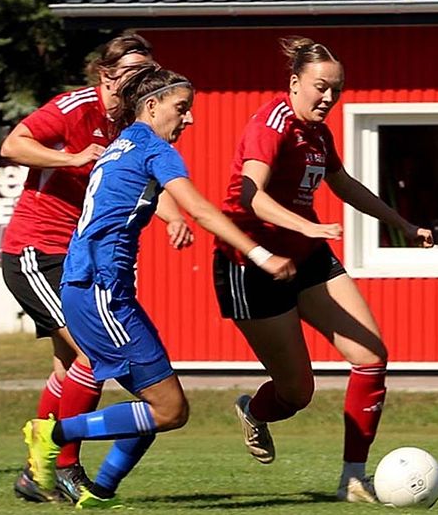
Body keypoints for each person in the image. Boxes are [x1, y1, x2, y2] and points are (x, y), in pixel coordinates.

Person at [21, 65, 296, 510]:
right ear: (152, 107)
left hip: (90, 289)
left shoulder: (119, 147)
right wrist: (261, 255)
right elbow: (202, 211)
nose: (188, 120)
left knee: (156, 407)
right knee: (169, 410)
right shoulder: (152, 147)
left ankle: (98, 492)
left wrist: (168, 220)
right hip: (101, 291)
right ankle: (51, 433)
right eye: (181, 108)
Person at [212, 37, 433, 503]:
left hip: (307, 256)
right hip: (250, 263)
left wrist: (403, 225)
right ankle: (255, 409)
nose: (329, 98)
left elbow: (344, 184)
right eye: (320, 87)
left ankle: (353, 478)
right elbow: (252, 195)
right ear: (294, 83)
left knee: (371, 356)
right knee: (296, 394)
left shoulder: (317, 134)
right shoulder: (269, 124)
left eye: (337, 89)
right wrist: (308, 227)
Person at [0, 34, 193, 503]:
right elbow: (12, 144)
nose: (143, 81)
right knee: (91, 357)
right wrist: (70, 158)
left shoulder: (131, 130)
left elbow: (132, 188)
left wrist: (170, 216)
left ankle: (39, 473)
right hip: (37, 249)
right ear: (107, 76)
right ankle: (61, 463)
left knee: (74, 366)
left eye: (149, 72)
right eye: (133, 72)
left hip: (79, 257)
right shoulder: (76, 107)